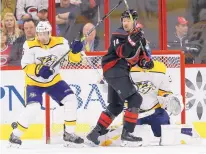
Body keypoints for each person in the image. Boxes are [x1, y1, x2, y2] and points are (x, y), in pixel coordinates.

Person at [9, 21, 84, 146]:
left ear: (50, 33)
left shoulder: (61, 42)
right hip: (34, 82)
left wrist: (75, 52)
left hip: (54, 81)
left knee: (71, 99)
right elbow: (25, 65)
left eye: (45, 34)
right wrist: (38, 70)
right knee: (34, 108)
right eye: (39, 34)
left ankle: (69, 133)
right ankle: (15, 134)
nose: (42, 37)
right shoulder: (30, 44)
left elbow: (73, 60)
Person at [86, 9, 154, 146]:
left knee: (116, 105)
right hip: (113, 68)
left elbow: (138, 59)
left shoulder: (138, 37)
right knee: (135, 98)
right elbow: (122, 52)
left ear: (135, 22)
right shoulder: (119, 34)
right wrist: (131, 41)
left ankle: (95, 133)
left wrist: (146, 63)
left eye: (128, 20)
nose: (125, 23)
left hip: (119, 71)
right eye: (124, 20)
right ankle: (127, 134)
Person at [98, 60, 184, 146]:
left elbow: (164, 91)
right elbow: (113, 91)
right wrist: (108, 82)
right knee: (134, 142)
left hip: (155, 111)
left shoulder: (159, 68)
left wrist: (168, 99)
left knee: (168, 137)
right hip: (133, 114)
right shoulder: (123, 69)